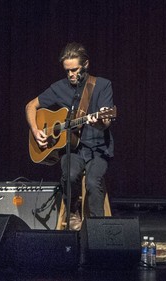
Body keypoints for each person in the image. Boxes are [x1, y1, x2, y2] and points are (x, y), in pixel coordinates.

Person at [25, 42, 114, 230]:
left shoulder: (102, 86)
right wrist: (36, 130)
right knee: (70, 175)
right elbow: (30, 106)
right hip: (73, 150)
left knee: (92, 182)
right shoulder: (59, 87)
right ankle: (73, 211)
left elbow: (106, 121)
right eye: (67, 71)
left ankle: (98, 230)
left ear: (86, 64)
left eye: (75, 70)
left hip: (98, 149)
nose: (71, 75)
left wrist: (98, 120)